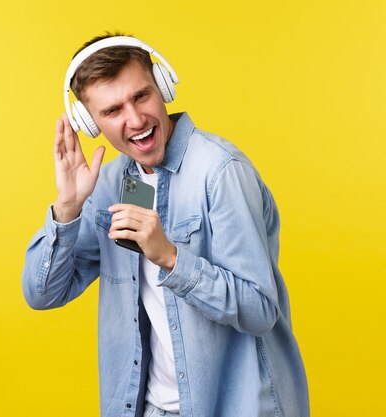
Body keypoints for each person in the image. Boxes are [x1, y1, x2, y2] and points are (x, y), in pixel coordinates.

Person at [22, 32, 309, 417]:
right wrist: (68, 207)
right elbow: (43, 295)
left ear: (163, 87)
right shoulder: (109, 186)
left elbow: (259, 310)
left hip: (234, 406)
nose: (136, 119)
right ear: (90, 124)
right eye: (112, 111)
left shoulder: (220, 173)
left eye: (141, 96)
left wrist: (171, 258)